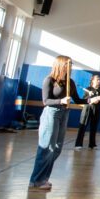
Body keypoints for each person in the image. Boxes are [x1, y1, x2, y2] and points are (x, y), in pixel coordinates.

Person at [28, 56, 85, 191]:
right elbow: (46, 101)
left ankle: (44, 178)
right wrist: (61, 101)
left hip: (64, 114)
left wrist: (93, 100)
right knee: (46, 147)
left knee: (57, 148)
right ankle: (35, 180)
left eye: (71, 64)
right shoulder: (50, 80)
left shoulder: (70, 82)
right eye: (68, 64)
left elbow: (77, 100)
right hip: (51, 113)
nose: (70, 67)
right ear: (61, 65)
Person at [74, 74, 100, 150]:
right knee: (83, 127)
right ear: (93, 80)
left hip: (96, 110)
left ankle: (92, 144)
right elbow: (83, 99)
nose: (99, 81)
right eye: (97, 79)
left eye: (99, 79)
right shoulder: (88, 89)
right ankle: (78, 144)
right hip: (87, 109)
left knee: (94, 128)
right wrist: (89, 96)